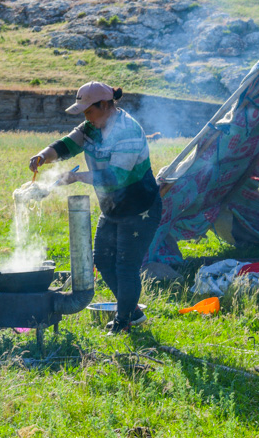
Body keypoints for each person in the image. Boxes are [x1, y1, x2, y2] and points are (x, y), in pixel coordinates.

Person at [29, 82, 161, 334]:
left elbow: (116, 178)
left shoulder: (128, 131)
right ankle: (131, 311)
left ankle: (123, 322)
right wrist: (43, 156)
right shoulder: (91, 127)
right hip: (113, 208)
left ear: (104, 105)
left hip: (140, 208)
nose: (85, 116)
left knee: (125, 265)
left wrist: (77, 178)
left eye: (88, 110)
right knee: (102, 259)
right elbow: (67, 145)